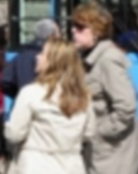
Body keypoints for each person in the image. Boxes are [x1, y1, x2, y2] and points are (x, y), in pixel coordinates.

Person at [71, 0, 138, 174]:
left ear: (96, 31)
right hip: (101, 153)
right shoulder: (85, 57)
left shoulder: (108, 59)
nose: (73, 31)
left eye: (80, 27)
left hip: (114, 155)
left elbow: (126, 106)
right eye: (72, 26)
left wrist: (99, 133)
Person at [5, 39, 95, 173]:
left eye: (43, 54)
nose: (37, 56)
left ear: (53, 62)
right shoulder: (83, 96)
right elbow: (89, 133)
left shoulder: (30, 93)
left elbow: (15, 134)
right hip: (71, 165)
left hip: (36, 164)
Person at [0, 19, 60, 100]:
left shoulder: (21, 55)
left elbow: (4, 81)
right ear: (51, 36)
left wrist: (20, 95)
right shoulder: (54, 56)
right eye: (58, 34)